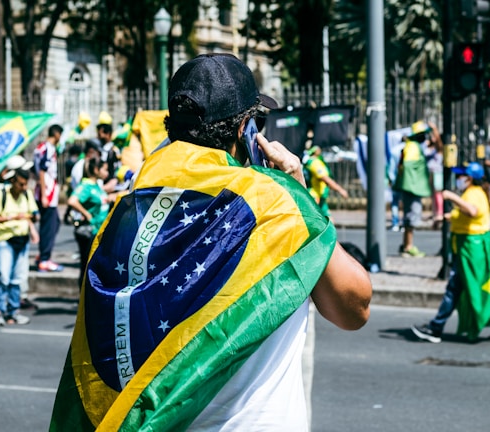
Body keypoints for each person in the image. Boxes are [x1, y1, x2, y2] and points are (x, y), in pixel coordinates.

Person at [50, 53, 372, 431]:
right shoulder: (275, 206)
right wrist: (298, 192)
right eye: (259, 123)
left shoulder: (127, 213)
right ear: (246, 132)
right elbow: (355, 307)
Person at [411, 162, 490, 343]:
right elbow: (464, 214)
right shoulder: (473, 193)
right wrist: (445, 217)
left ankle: (435, 328)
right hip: (469, 247)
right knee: (473, 287)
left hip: (472, 248)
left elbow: (472, 211)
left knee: (459, 287)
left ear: (469, 178)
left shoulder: (474, 193)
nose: (458, 179)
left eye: (461, 176)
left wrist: (451, 197)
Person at [0, 168, 39, 326]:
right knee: (3, 276)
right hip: (4, 240)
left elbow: (34, 214)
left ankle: (13, 312)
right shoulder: (0, 195)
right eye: (21, 184)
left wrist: (32, 227)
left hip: (22, 240)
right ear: (13, 181)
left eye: (26, 185)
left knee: (18, 278)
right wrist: (11, 217)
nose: (23, 188)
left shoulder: (27, 194)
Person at [67, 157, 112, 288]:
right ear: (96, 170)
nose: (107, 173)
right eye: (105, 169)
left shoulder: (96, 185)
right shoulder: (86, 185)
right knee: (87, 267)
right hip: (89, 232)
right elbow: (72, 201)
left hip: (98, 231)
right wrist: (86, 214)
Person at [393, 121, 432, 257]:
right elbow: (408, 166)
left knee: (410, 216)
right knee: (412, 217)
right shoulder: (413, 147)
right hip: (412, 188)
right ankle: (408, 247)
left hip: (411, 188)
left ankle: (406, 245)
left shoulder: (410, 145)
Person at [33, 124, 64, 272]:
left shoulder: (40, 147)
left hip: (45, 191)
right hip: (48, 193)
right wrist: (45, 195)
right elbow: (42, 171)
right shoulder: (48, 148)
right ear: (56, 134)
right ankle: (45, 259)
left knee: (55, 223)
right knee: (48, 227)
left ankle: (42, 254)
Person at [304, 145, 349, 218]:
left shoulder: (314, 161)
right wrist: (340, 190)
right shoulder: (314, 163)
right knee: (318, 222)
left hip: (319, 197)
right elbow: (325, 179)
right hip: (315, 197)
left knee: (329, 221)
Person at [424, 123, 444, 229]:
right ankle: (435, 212)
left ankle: (439, 213)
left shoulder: (438, 149)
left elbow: (438, 141)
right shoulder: (428, 148)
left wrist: (435, 129)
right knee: (433, 195)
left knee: (438, 194)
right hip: (430, 173)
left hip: (437, 173)